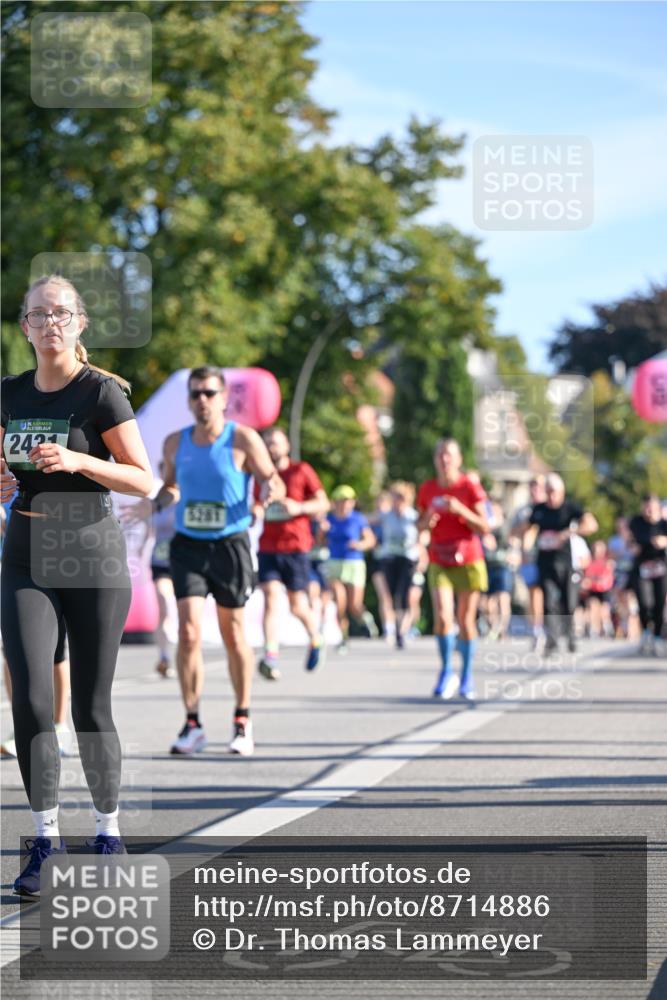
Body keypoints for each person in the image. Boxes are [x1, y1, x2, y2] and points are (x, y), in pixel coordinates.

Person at [1, 274, 153, 894]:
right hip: (26, 551)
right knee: (32, 698)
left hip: (92, 554)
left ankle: (108, 833)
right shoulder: (7, 393)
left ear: (80, 323)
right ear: (25, 326)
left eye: (61, 313)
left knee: (90, 706)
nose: (51, 324)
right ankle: (43, 841)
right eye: (39, 315)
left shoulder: (102, 394)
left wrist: (80, 461)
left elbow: (145, 482)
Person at [149, 366, 284, 757]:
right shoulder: (175, 442)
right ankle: (192, 723)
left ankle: (242, 718)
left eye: (209, 393)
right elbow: (171, 486)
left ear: (224, 399)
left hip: (230, 544)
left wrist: (267, 493)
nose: (202, 401)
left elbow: (270, 478)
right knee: (188, 632)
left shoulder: (242, 438)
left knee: (234, 634)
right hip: (188, 544)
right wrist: (155, 502)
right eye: (195, 394)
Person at [253, 427, 329, 680]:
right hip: (268, 547)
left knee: (297, 605)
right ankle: (270, 656)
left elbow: (323, 502)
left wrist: (299, 507)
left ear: (286, 445)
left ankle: (316, 637)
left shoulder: (301, 470)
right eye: (267, 443)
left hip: (295, 547)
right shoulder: (260, 476)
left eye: (276, 442)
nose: (272, 447)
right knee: (271, 599)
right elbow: (255, 505)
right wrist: (256, 511)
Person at [417, 439, 490, 700]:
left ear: (458, 459)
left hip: (469, 559)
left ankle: (467, 675)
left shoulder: (469, 486)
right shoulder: (427, 489)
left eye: (448, 454)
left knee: (465, 620)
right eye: (439, 454)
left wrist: (460, 510)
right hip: (440, 558)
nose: (444, 459)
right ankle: (447, 670)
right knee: (443, 617)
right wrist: (427, 521)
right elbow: (420, 526)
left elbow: (485, 526)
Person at [525, 474, 597, 654]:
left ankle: (571, 635)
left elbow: (591, 525)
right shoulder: (539, 509)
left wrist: (570, 532)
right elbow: (528, 529)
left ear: (562, 492)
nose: (551, 496)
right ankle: (553, 640)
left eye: (554, 492)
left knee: (569, 602)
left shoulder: (570, 508)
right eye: (547, 492)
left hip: (567, 563)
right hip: (545, 562)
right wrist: (524, 548)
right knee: (549, 602)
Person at [322, 485, 376, 653]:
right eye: (340, 501)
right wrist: (321, 532)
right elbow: (320, 543)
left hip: (354, 564)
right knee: (339, 602)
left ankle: (365, 619)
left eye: (347, 501)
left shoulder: (358, 519)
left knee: (354, 605)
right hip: (335, 564)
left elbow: (370, 540)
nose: (344, 505)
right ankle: (343, 637)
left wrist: (359, 545)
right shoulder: (329, 519)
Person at [375, 482, 423, 649]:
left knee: (405, 595)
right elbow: (369, 520)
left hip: (408, 559)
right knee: (392, 594)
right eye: (395, 498)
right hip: (390, 558)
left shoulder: (413, 516)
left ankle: (401, 631)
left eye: (401, 498)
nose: (398, 502)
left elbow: (423, 534)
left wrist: (421, 552)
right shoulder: (386, 516)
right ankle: (395, 627)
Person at [510, 476, 547, 649]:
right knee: (533, 593)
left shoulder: (550, 508)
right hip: (529, 557)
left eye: (539, 486)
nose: (535, 489)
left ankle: (549, 627)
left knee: (548, 594)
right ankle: (536, 629)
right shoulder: (524, 511)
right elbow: (512, 532)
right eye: (532, 486)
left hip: (550, 557)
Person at [628, 494, 667, 655]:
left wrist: (664, 541)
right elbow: (629, 539)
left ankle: (657, 637)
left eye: (652, 507)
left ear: (658, 508)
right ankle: (645, 633)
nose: (649, 511)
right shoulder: (636, 523)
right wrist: (632, 546)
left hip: (660, 569)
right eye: (646, 507)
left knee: (659, 604)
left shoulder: (664, 525)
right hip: (642, 569)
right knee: (644, 603)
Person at [149, 461, 177, 678]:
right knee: (165, 605)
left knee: (182, 610)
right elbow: (148, 528)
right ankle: (164, 656)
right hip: (160, 560)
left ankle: (182, 652)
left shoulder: (187, 496)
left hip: (185, 559)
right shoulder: (154, 499)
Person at [483, 501, 520, 640]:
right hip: (489, 565)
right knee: (488, 602)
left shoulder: (507, 526)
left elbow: (515, 543)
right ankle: (492, 626)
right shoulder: (486, 525)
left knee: (503, 598)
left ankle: (503, 629)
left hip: (504, 565)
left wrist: (515, 553)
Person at [368, 491, 396, 643]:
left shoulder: (394, 520)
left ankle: (400, 628)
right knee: (384, 596)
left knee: (395, 597)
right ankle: (388, 628)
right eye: (378, 505)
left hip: (394, 561)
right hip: (378, 562)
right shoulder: (373, 522)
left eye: (383, 505)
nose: (380, 508)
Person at [581, 540, 615, 638]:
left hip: (604, 588)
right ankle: (594, 628)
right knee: (593, 606)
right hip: (593, 588)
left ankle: (607, 626)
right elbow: (587, 575)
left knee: (604, 608)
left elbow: (607, 575)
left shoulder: (607, 561)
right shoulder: (590, 561)